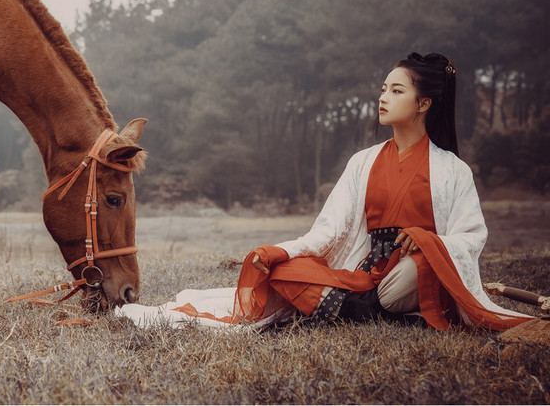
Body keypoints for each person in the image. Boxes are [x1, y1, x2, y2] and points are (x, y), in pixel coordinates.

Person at [117, 52, 532, 331]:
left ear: (424, 104)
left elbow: (472, 237)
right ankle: (365, 308)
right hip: (365, 273)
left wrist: (427, 241)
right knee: (283, 271)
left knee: (412, 272)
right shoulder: (362, 162)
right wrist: (283, 250)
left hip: (412, 273)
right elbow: (329, 232)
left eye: (396, 91)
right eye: (384, 89)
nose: (383, 97)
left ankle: (373, 307)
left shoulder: (453, 171)